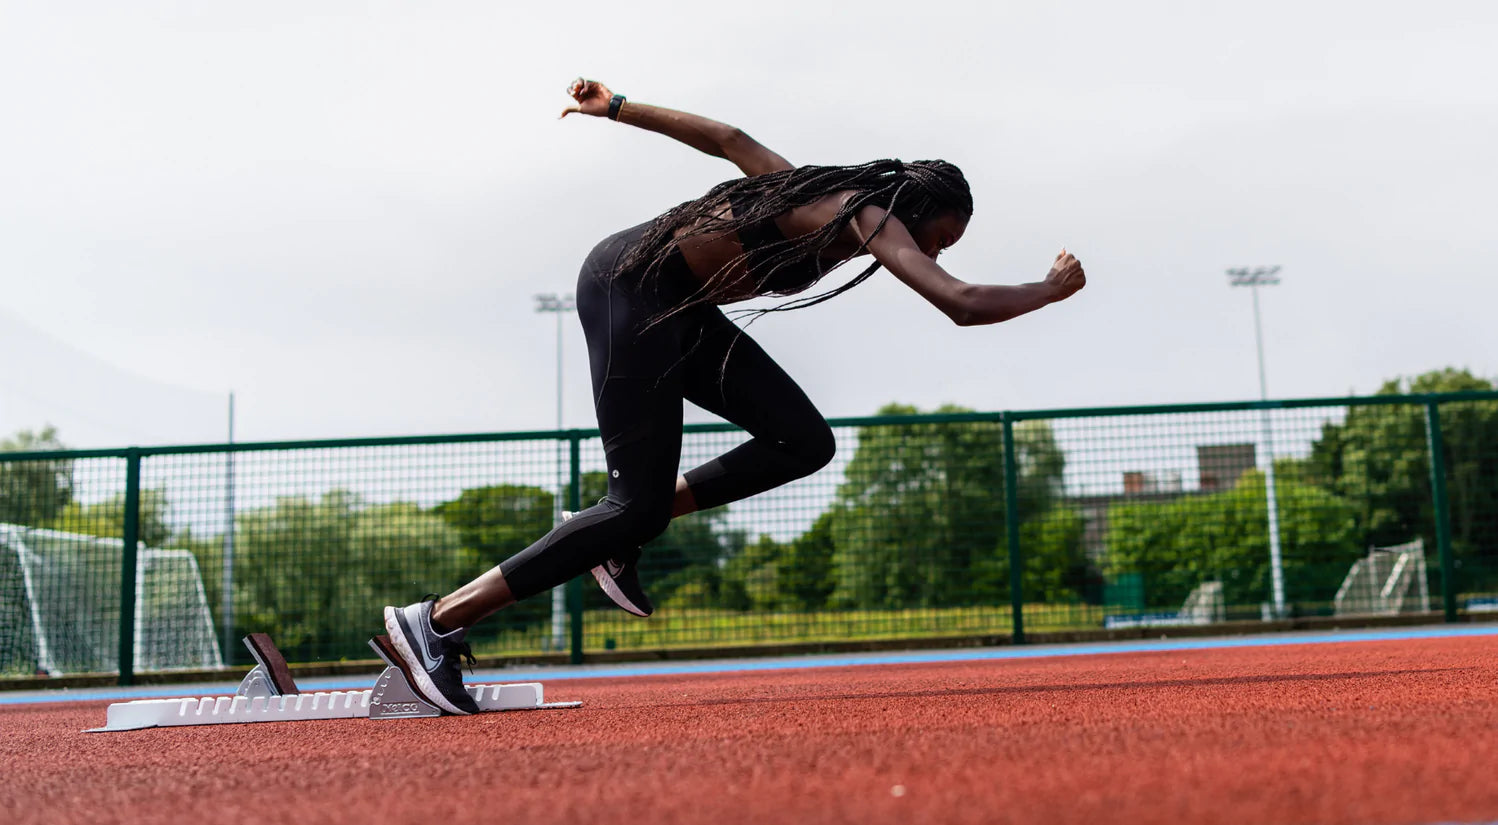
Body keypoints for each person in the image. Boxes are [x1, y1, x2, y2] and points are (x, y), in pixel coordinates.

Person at [383, 78, 1087, 714]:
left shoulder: (806, 194)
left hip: (679, 312)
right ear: (920, 209)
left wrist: (619, 107)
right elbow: (958, 303)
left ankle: (621, 531)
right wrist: (1048, 292)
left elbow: (730, 141)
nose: (935, 253)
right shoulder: (864, 214)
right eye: (941, 237)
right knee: (632, 501)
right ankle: (438, 619)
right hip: (628, 289)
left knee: (803, 440)